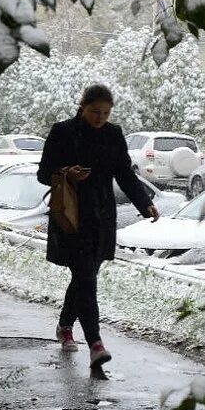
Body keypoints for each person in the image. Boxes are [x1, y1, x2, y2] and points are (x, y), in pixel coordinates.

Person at [37, 84, 160, 368]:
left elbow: (124, 174)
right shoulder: (63, 132)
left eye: (106, 113)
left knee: (85, 275)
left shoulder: (113, 134)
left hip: (102, 216)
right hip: (71, 214)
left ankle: (65, 325)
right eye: (95, 112)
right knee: (85, 277)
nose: (100, 118)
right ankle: (95, 343)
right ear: (82, 106)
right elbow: (43, 173)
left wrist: (145, 203)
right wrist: (67, 173)